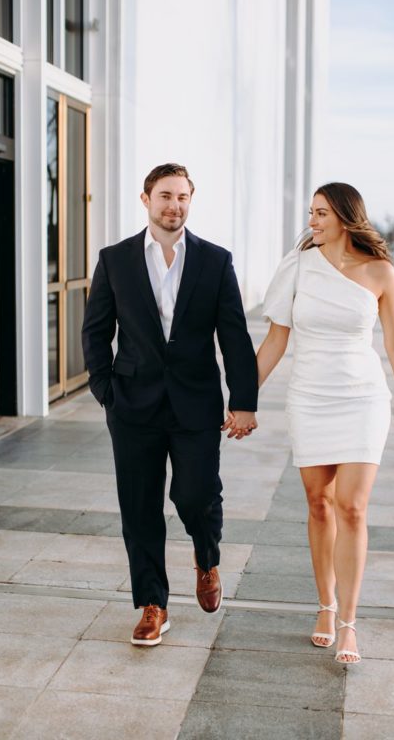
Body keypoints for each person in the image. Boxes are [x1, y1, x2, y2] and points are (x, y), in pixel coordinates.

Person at [82, 163, 259, 647]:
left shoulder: (215, 261)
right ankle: (153, 605)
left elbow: (235, 337)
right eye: (165, 196)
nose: (174, 205)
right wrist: (105, 391)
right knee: (139, 508)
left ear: (190, 200)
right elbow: (95, 332)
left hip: (196, 403)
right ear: (146, 200)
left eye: (182, 197)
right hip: (132, 404)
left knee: (195, 495)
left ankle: (206, 557)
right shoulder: (114, 260)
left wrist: (244, 400)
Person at [255, 182, 394, 664]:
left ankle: (348, 623)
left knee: (351, 506)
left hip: (363, 398)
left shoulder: (381, 272)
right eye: (311, 213)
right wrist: (242, 399)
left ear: (347, 217)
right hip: (308, 396)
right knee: (318, 503)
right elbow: (275, 341)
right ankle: (324, 606)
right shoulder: (299, 266)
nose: (313, 221)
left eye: (322, 213)